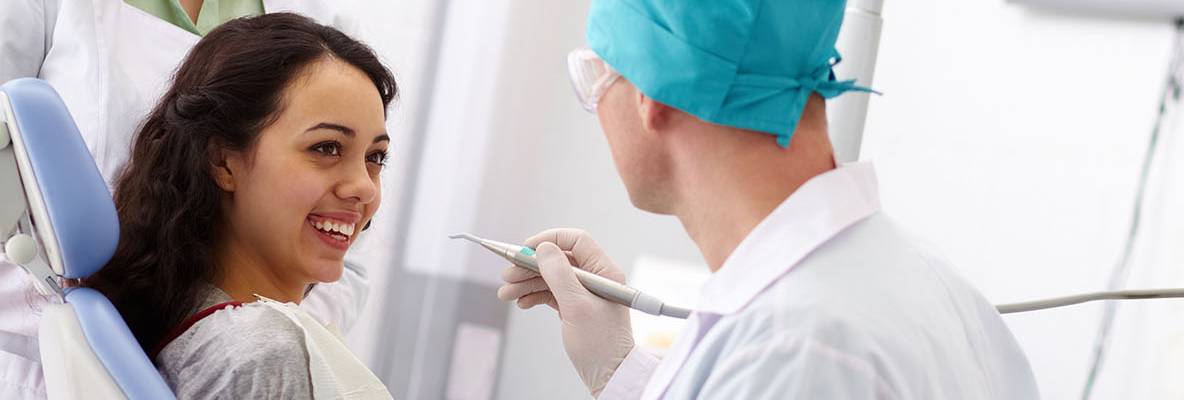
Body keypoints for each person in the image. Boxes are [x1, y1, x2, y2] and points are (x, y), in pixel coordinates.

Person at [493, 0, 1040, 398]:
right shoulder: (940, 289)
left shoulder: (795, 352)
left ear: (650, 93)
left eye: (594, 75)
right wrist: (621, 372)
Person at [0, 2, 373, 397]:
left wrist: (240, 355)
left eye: (377, 158)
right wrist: (106, 344)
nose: (361, 186)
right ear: (221, 160)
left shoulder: (325, 22)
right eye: (325, 148)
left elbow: (342, 261)